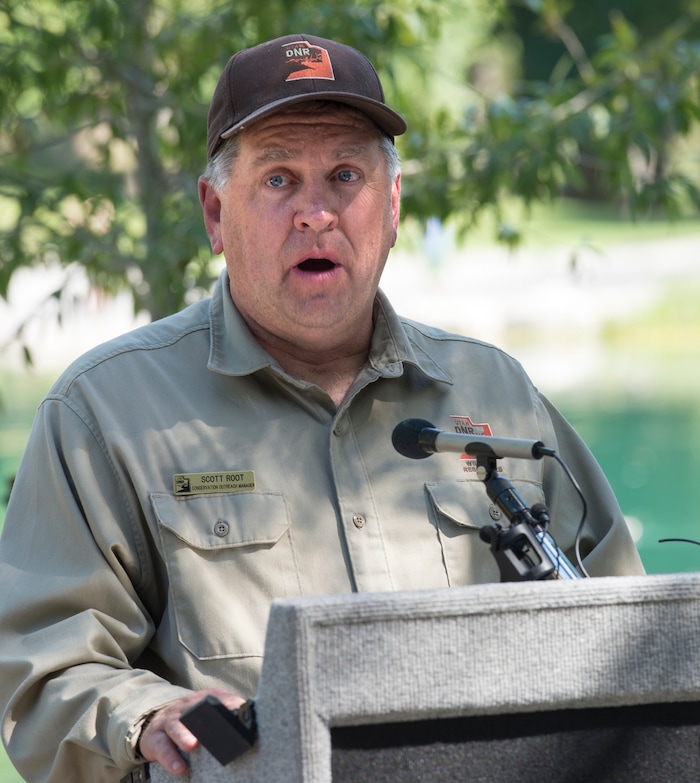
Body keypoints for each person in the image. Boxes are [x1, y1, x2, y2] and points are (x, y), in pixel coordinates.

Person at [0, 33, 644, 783]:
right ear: (215, 213)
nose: (315, 213)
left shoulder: (495, 392)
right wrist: (147, 718)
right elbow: (42, 676)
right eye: (278, 180)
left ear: (394, 206)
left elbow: (628, 634)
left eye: (345, 174)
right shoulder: (103, 413)